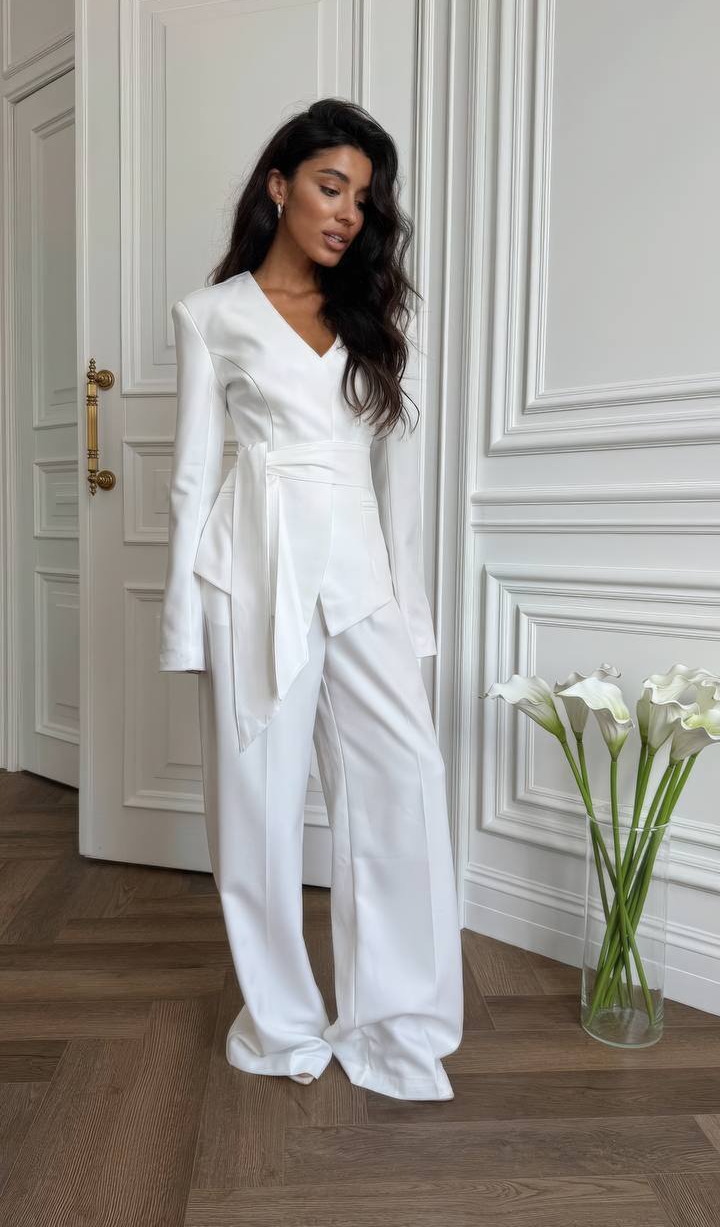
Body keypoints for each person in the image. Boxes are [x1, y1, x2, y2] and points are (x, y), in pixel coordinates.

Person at [158, 97, 463, 1101]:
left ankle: (395, 1022)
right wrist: (185, 622)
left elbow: (398, 488)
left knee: (404, 783)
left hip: (361, 573)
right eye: (331, 187)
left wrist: (409, 620)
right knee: (259, 805)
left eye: (363, 199)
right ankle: (284, 1022)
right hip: (252, 573)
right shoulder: (211, 316)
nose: (347, 213)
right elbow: (195, 479)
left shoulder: (376, 318)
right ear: (280, 184)